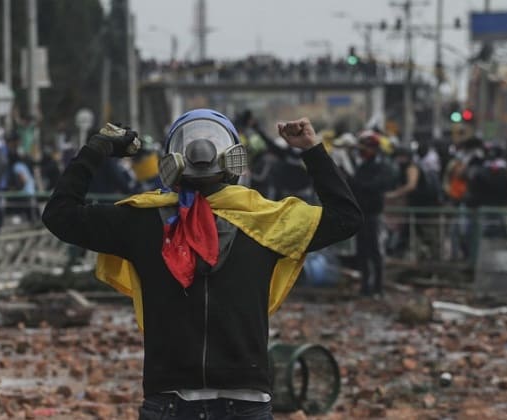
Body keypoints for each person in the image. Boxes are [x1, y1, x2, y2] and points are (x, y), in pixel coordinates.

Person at [43, 109, 362, 420]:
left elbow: (60, 214)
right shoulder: (270, 224)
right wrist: (312, 149)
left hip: (168, 398)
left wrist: (97, 148)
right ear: (233, 161)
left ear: (172, 162)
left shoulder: (140, 221)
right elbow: (346, 218)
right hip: (247, 400)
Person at [349, 131, 391, 296]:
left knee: (375, 253)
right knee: (362, 253)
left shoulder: (381, 167)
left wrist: (355, 182)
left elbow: (373, 186)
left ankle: (378, 287)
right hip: (362, 214)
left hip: (373, 215)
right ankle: (365, 286)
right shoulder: (362, 166)